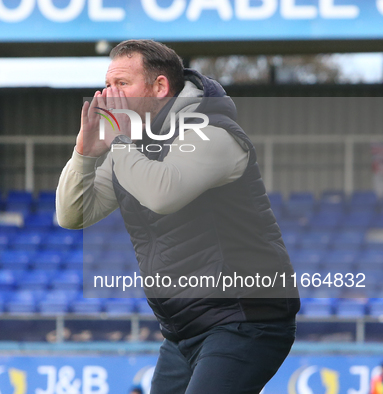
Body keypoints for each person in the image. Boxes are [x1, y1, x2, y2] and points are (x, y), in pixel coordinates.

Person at [56, 39, 300, 393]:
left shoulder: (212, 132)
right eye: (108, 85)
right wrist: (84, 153)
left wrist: (120, 141)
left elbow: (162, 194)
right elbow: (72, 215)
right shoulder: (131, 146)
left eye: (122, 84)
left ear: (159, 88)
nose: (108, 97)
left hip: (247, 318)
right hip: (183, 331)